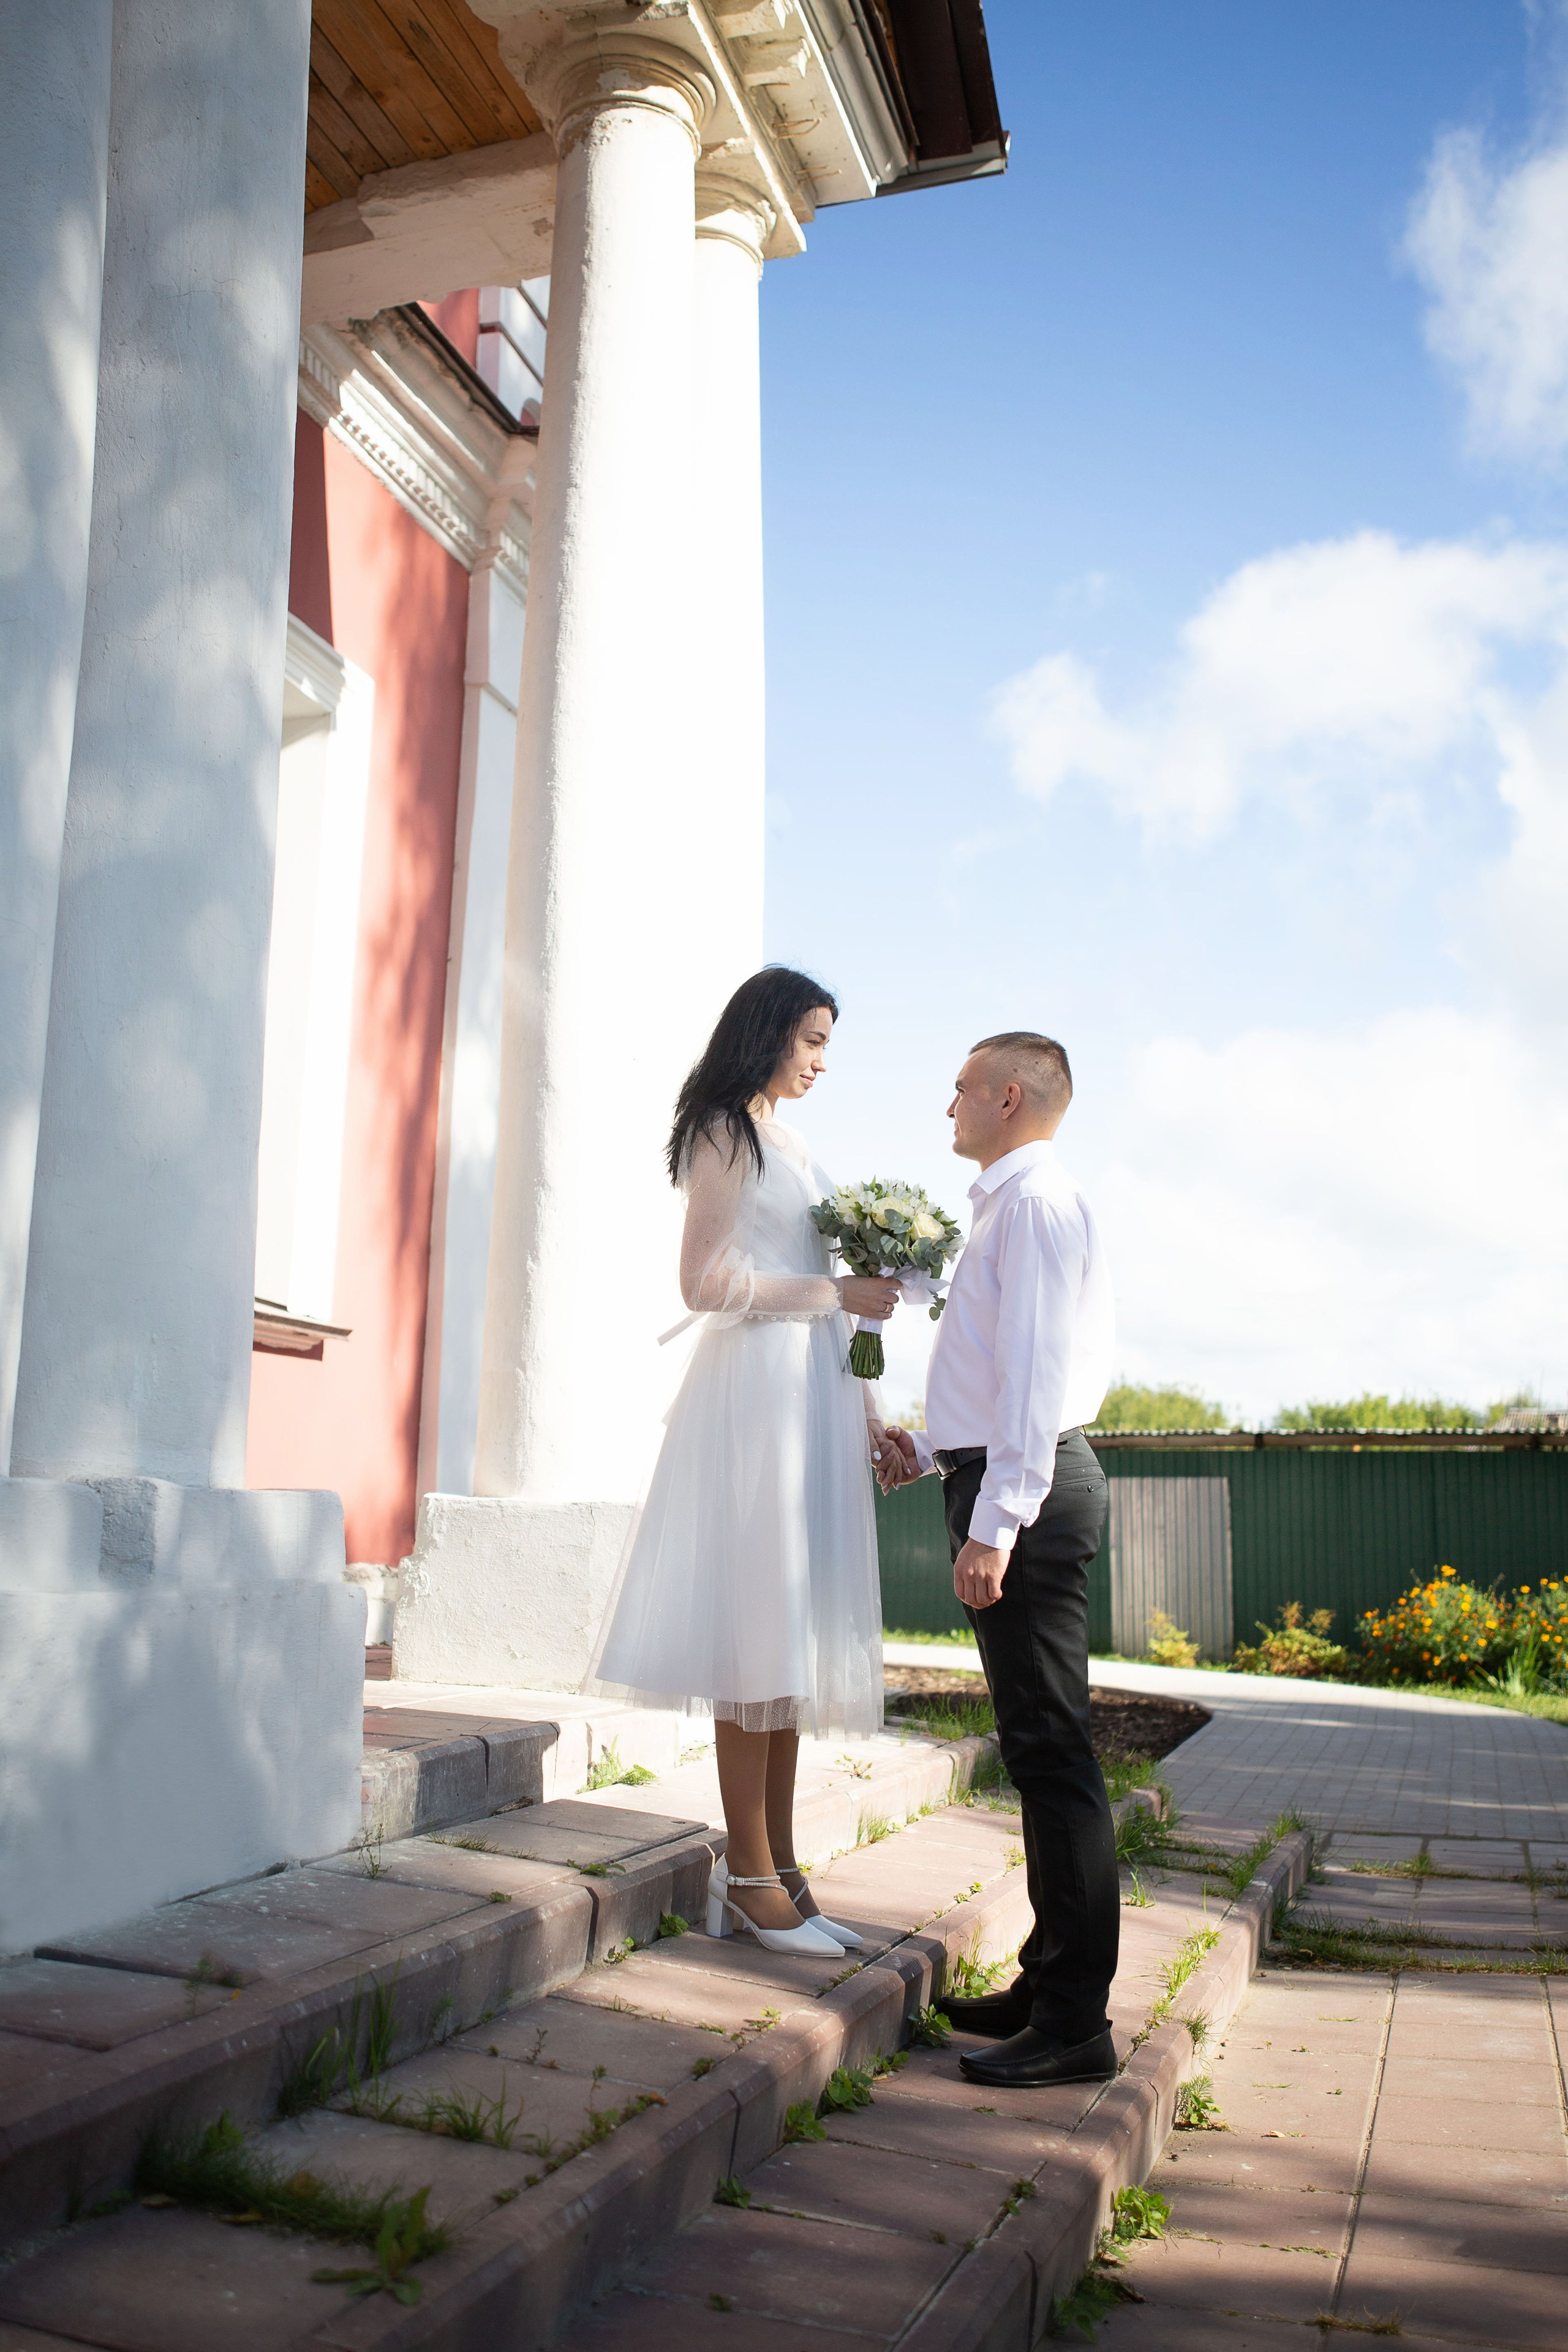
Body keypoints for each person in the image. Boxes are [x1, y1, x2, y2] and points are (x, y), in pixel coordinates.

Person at [587, 967, 898, 1956]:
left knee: (791, 1639)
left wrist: (871, 1407)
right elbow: (709, 1279)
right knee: (756, 1634)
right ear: (764, 1032)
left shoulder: (795, 1143)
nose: (818, 1062)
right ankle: (749, 1876)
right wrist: (835, 1294)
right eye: (809, 1041)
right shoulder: (725, 1129)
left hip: (810, 1395)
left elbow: (822, 1287)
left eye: (826, 1047)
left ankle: (785, 1870)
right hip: (755, 1401)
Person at [880, 1031, 1117, 2087]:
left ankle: (1076, 2025)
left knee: (1053, 1752)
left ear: (1010, 1097)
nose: (951, 1108)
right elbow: (992, 1374)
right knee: (1034, 1749)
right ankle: (1047, 1982)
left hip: (1027, 1490)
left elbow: (1038, 1376)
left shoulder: (1033, 1205)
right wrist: (930, 1448)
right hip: (1000, 1475)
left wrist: (998, 1522)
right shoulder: (1010, 1205)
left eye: (962, 1090)